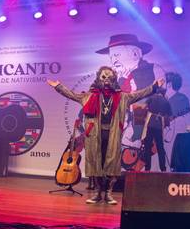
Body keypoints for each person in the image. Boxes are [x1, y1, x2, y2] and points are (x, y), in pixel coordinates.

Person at [48, 67, 164, 204]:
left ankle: (108, 193)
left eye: (109, 77)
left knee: (111, 164)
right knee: (96, 163)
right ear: (98, 79)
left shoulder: (123, 97)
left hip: (113, 135)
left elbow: (140, 94)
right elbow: (72, 95)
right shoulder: (89, 96)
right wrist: (59, 86)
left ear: (114, 79)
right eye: (103, 77)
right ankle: (97, 193)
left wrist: (154, 87)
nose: (106, 80)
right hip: (94, 136)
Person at [140, 87, 173, 172]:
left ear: (157, 91)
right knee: (160, 147)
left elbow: (143, 107)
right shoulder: (166, 101)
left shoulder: (151, 97)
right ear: (164, 93)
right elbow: (170, 116)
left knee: (147, 146)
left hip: (150, 124)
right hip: (159, 125)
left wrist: (148, 109)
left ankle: (147, 168)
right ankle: (163, 168)